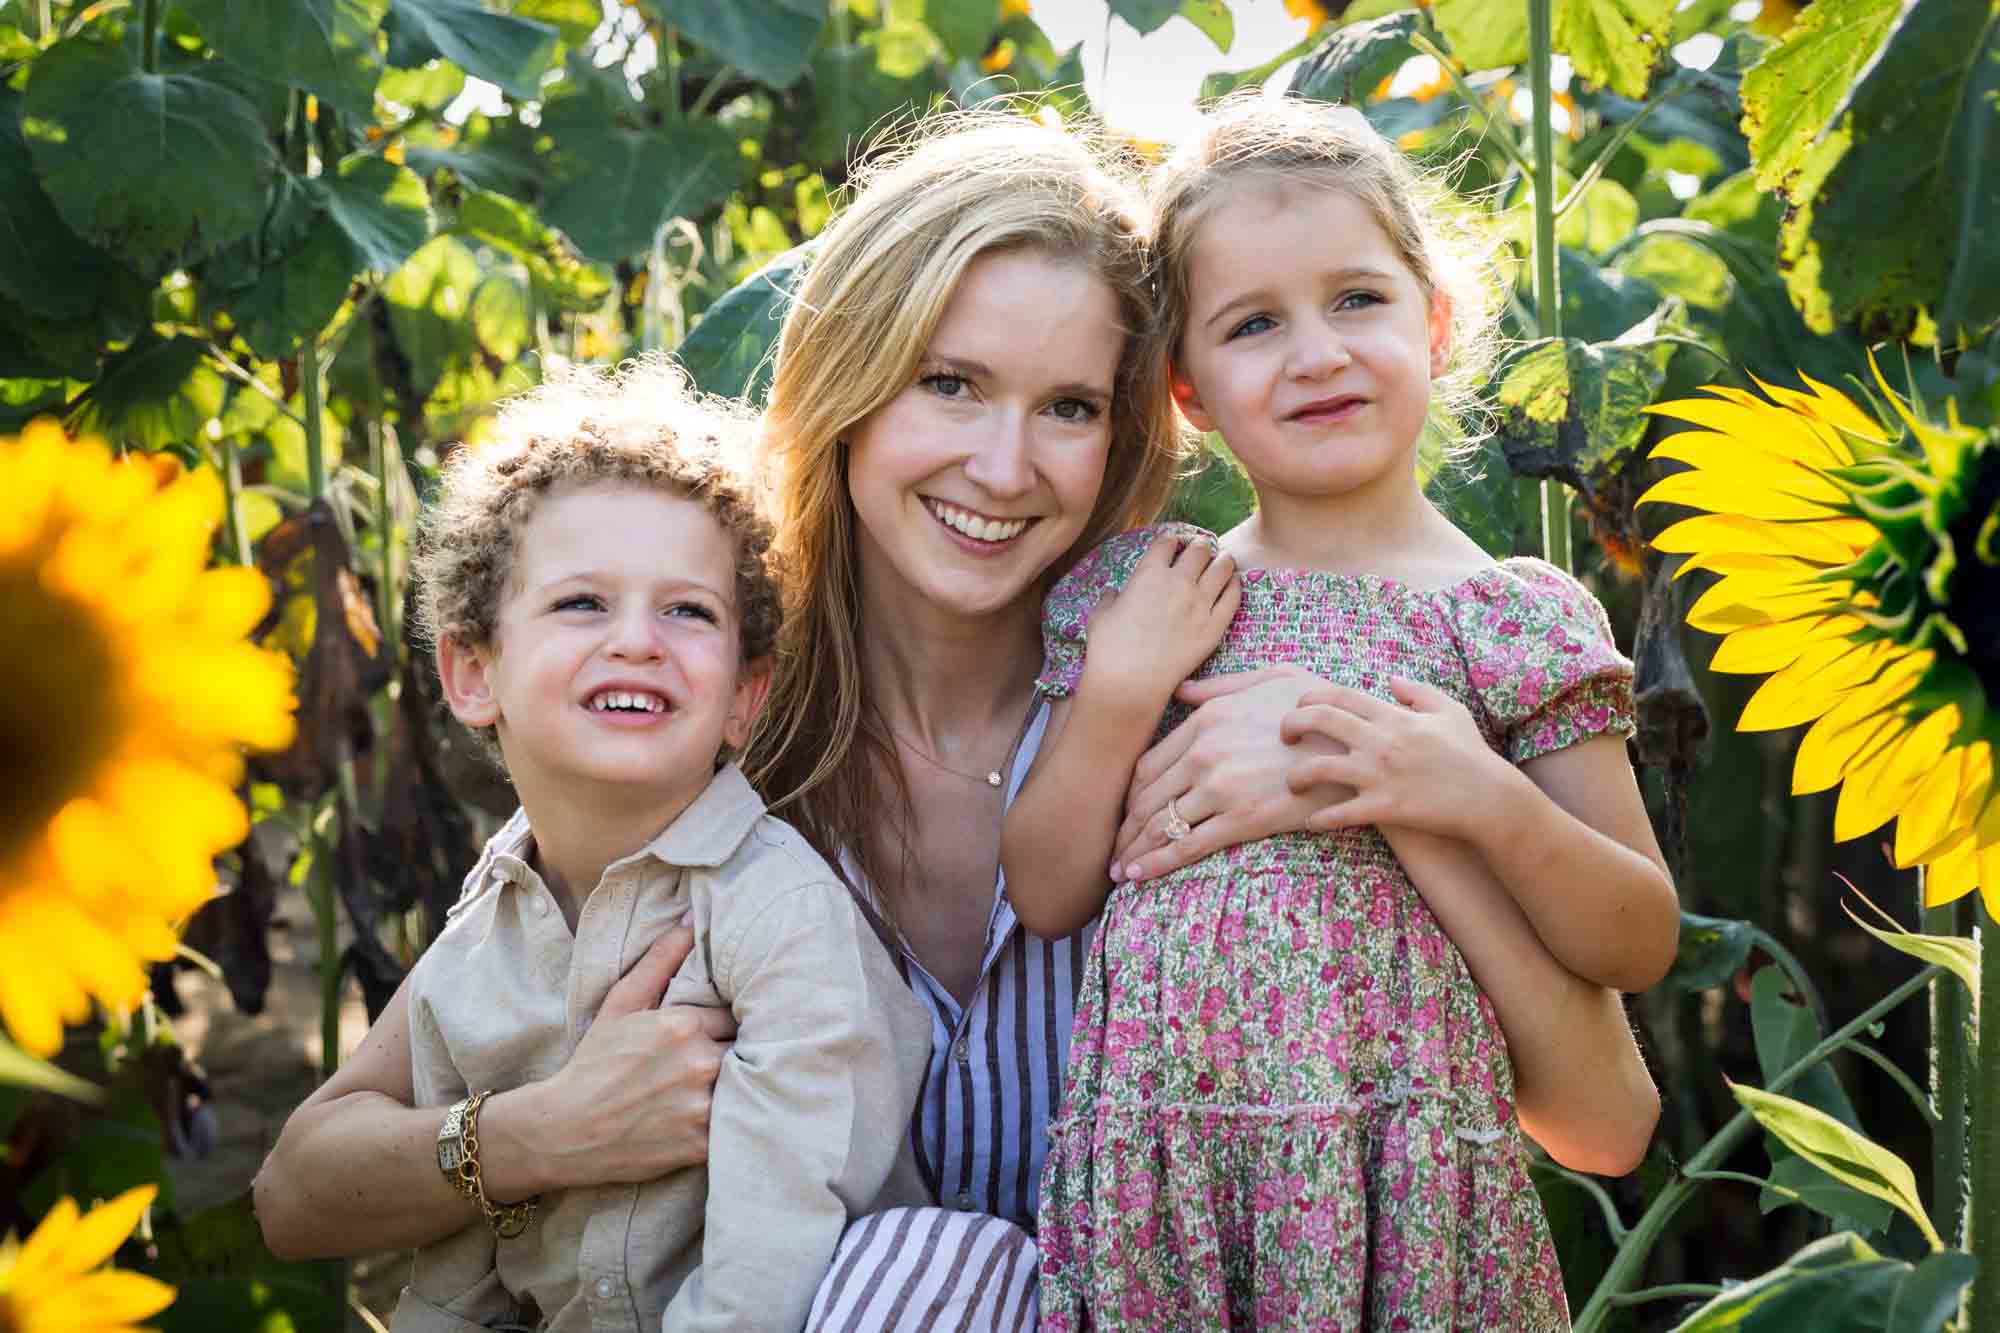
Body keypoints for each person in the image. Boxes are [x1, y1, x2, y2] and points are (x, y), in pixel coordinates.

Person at [255, 108, 1661, 1330]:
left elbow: (1605, 1117)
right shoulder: (720, 722)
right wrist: (535, 1136)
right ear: (850, 390)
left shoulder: (1210, 684)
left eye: (1066, 406)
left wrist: (1409, 791)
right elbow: (301, 1182)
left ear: (1132, 425)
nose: (1004, 464)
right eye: (949, 384)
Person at [1002, 96, 1680, 1329]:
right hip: (1167, 1173)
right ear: (1189, 389)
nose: (1313, 352)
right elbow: (1047, 890)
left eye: (1355, 300)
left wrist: (1460, 788)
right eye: (1251, 324)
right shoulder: (1149, 591)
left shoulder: (1505, 616)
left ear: (1433, 321)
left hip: (1404, 1175)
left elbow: (1634, 936)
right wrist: (1114, 693)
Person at [378, 359, 933, 1330]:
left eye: (687, 610)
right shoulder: (474, 943)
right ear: (472, 673)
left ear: (742, 697)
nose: (637, 640)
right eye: (581, 603)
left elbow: (772, 1251)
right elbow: (458, 1259)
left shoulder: (774, 911)